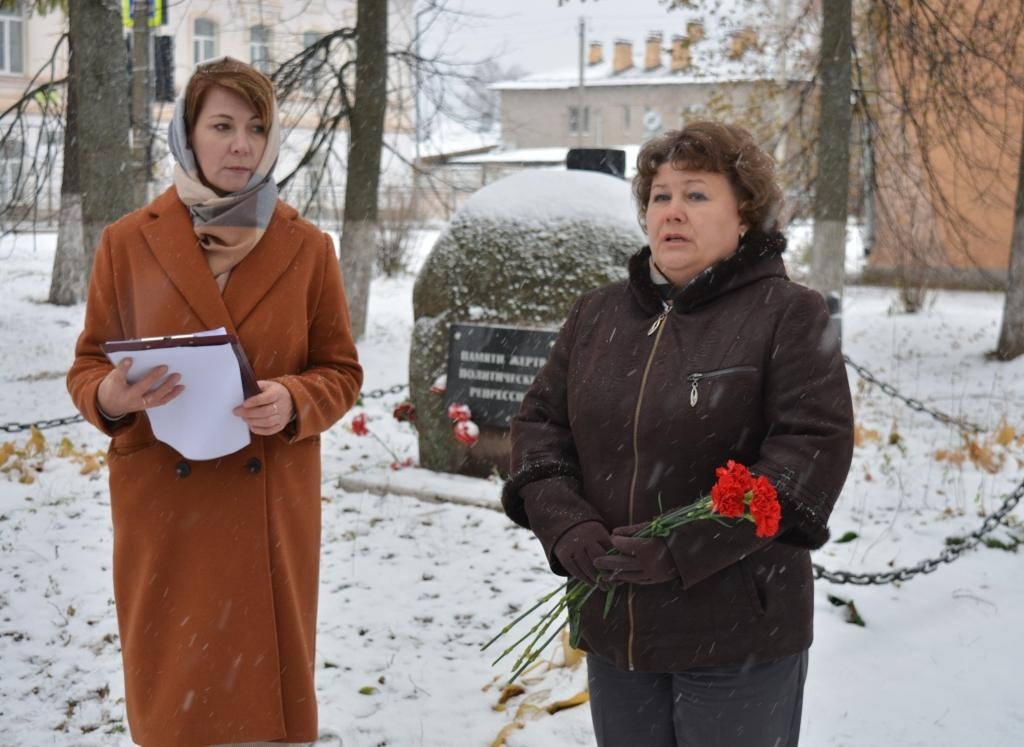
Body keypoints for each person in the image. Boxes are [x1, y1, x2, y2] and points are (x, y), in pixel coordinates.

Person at [501, 121, 854, 747]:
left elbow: (809, 452)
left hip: (736, 631)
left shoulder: (788, 314)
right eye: (660, 196)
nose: (672, 212)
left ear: (745, 213)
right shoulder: (599, 313)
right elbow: (539, 429)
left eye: (696, 195)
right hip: (618, 621)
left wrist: (684, 547)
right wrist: (566, 525)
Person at [66, 57, 363, 747]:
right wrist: (109, 393)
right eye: (222, 125)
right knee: (178, 710)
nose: (242, 144)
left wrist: (294, 398)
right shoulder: (128, 241)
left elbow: (341, 370)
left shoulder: (308, 247)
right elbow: (88, 364)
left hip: (266, 508)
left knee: (263, 712)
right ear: (187, 135)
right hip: (165, 512)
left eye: (257, 128)